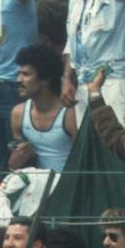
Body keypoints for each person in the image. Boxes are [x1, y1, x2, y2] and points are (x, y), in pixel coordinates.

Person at [9, 44, 76, 173]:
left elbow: (84, 159)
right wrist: (13, 163)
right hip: (35, 186)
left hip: (69, 186)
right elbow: (17, 163)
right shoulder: (18, 114)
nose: (18, 80)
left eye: (26, 74)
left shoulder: (69, 115)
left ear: (45, 79)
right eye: (19, 74)